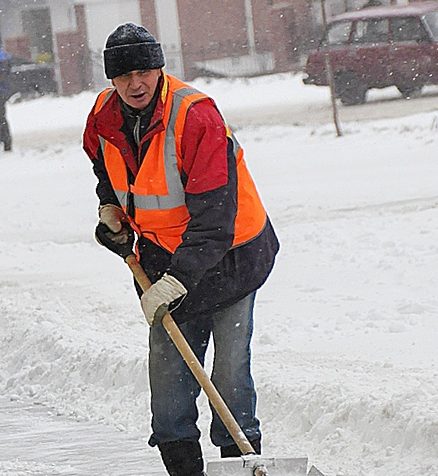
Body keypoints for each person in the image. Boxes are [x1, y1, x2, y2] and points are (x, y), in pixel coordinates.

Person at [83, 24, 279, 476]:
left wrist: (176, 280)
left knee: (229, 374)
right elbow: (106, 169)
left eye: (145, 71)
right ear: (111, 79)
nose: (136, 83)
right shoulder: (103, 117)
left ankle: (241, 460)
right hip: (160, 256)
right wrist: (110, 209)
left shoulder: (195, 117)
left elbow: (214, 220)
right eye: (125, 74)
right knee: (169, 383)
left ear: (160, 69)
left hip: (232, 257)